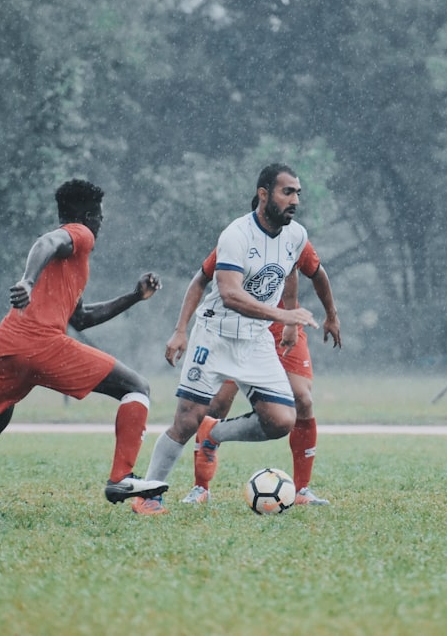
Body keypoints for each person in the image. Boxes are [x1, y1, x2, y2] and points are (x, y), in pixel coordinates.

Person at [0, 179, 168, 517]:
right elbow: (48, 239)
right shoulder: (80, 235)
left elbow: (83, 317)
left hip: (8, 345)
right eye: (100, 217)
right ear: (89, 216)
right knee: (137, 387)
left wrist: (134, 296)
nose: (101, 224)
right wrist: (27, 280)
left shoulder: (71, 263)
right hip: (40, 343)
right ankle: (121, 478)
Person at [132, 163, 319, 515]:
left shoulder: (296, 235)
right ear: (264, 194)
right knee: (187, 420)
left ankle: (214, 435)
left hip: (255, 339)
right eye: (287, 192)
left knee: (281, 421)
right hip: (215, 335)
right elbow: (230, 294)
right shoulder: (236, 235)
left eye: (297, 193)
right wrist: (284, 315)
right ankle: (148, 496)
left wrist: (295, 315)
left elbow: (295, 273)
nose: (294, 199)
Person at [165, 206, 341, 506]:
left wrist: (327, 317)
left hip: (284, 323)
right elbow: (203, 280)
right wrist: (181, 328)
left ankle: (301, 491)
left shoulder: (293, 236)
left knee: (302, 400)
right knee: (217, 404)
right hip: (241, 326)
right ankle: (201, 487)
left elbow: (312, 273)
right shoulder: (239, 239)